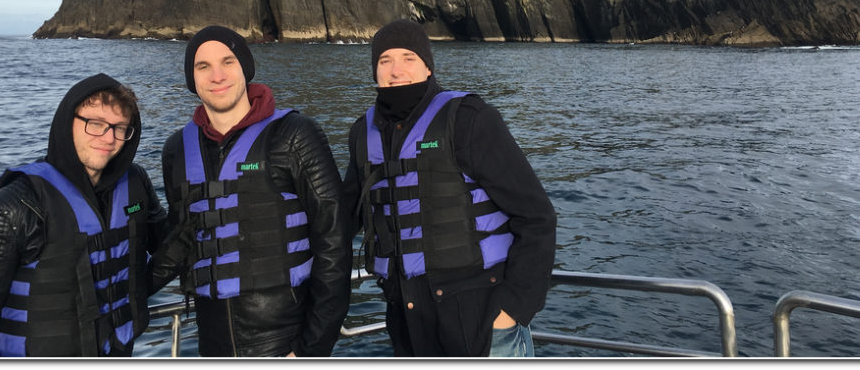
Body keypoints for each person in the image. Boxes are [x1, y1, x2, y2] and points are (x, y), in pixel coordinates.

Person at [343, 19, 557, 357]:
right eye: (385, 61)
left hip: (482, 320)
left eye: (408, 58)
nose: (396, 70)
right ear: (374, 71)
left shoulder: (469, 119)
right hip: (408, 322)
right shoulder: (361, 135)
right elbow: (341, 222)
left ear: (427, 67)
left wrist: (512, 310)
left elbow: (537, 217)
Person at [153, 25, 351, 357]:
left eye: (227, 62)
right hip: (211, 344)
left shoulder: (294, 135)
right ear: (192, 79)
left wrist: (310, 349)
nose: (217, 75)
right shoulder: (177, 149)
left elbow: (335, 240)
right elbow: (179, 239)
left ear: (245, 67)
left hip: (284, 343)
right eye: (203, 67)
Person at [0, 73, 168, 356]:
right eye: (95, 124)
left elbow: (168, 247)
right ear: (67, 122)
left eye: (120, 127)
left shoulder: (135, 184)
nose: (109, 138)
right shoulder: (13, 207)